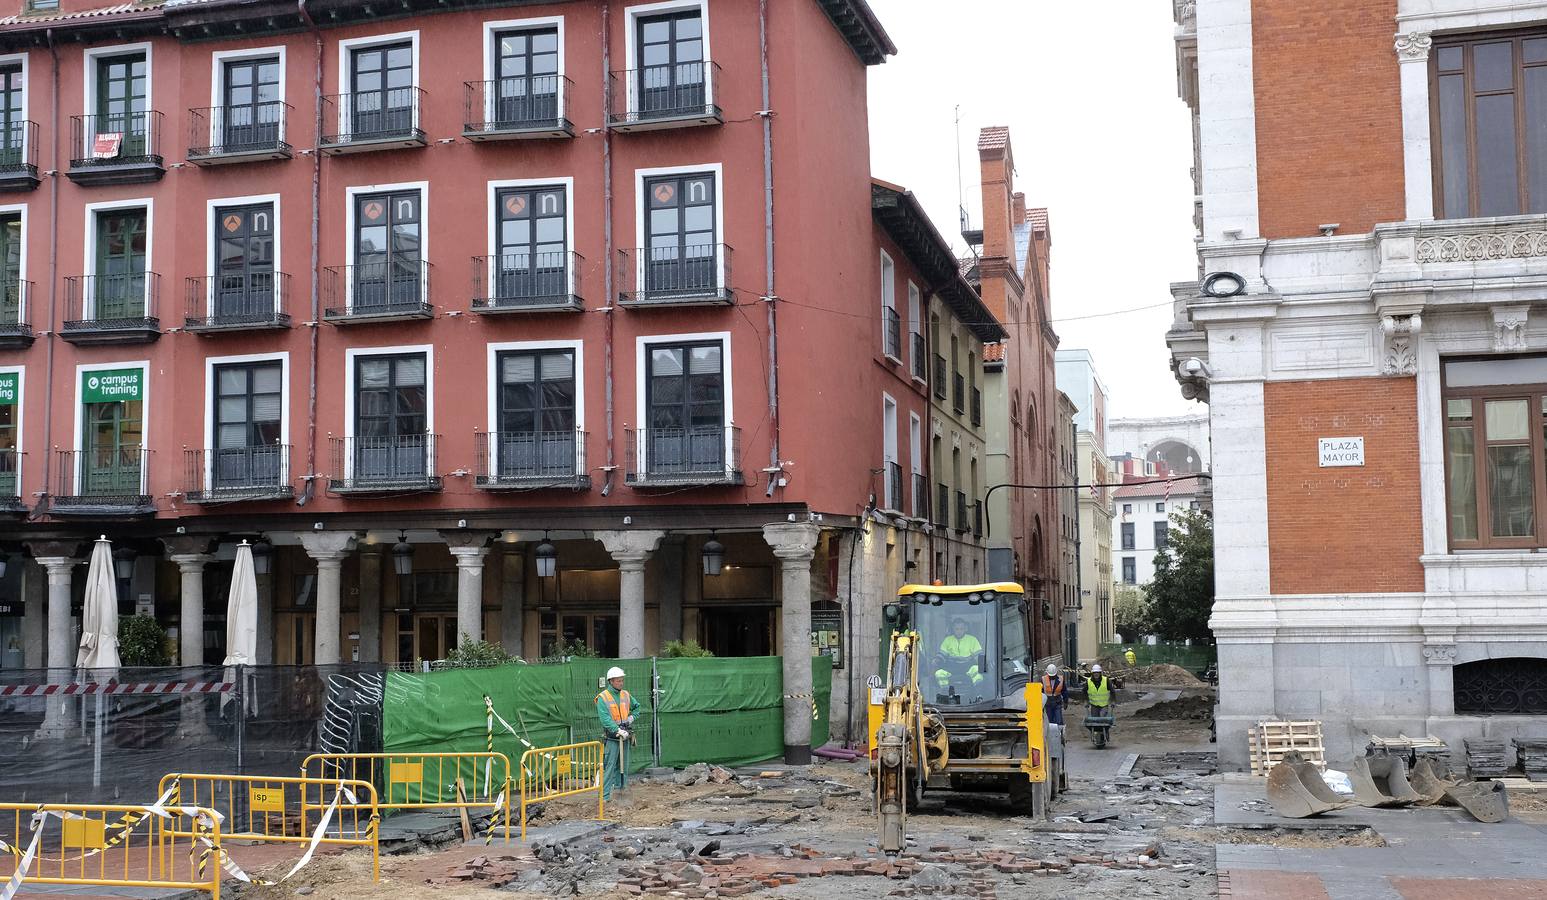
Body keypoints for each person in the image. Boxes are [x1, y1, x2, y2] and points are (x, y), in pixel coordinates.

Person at [596, 666, 640, 801]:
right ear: (611, 681)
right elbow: (605, 719)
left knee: (623, 766)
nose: (621, 683)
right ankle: (604, 797)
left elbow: (637, 707)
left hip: (625, 735)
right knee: (609, 767)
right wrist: (617, 730)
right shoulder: (603, 697)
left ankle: (620, 791)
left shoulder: (625, 694)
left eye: (622, 680)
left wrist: (631, 718)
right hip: (612, 738)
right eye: (618, 681)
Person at [934, 617, 984, 690]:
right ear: (953, 629)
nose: (959, 631)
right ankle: (945, 691)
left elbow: (978, 655)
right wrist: (937, 660)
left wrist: (982, 665)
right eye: (957, 629)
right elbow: (942, 654)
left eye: (961, 629)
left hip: (968, 667)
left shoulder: (972, 639)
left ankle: (978, 692)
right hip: (952, 667)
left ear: (965, 629)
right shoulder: (947, 640)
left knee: (977, 669)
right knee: (939, 673)